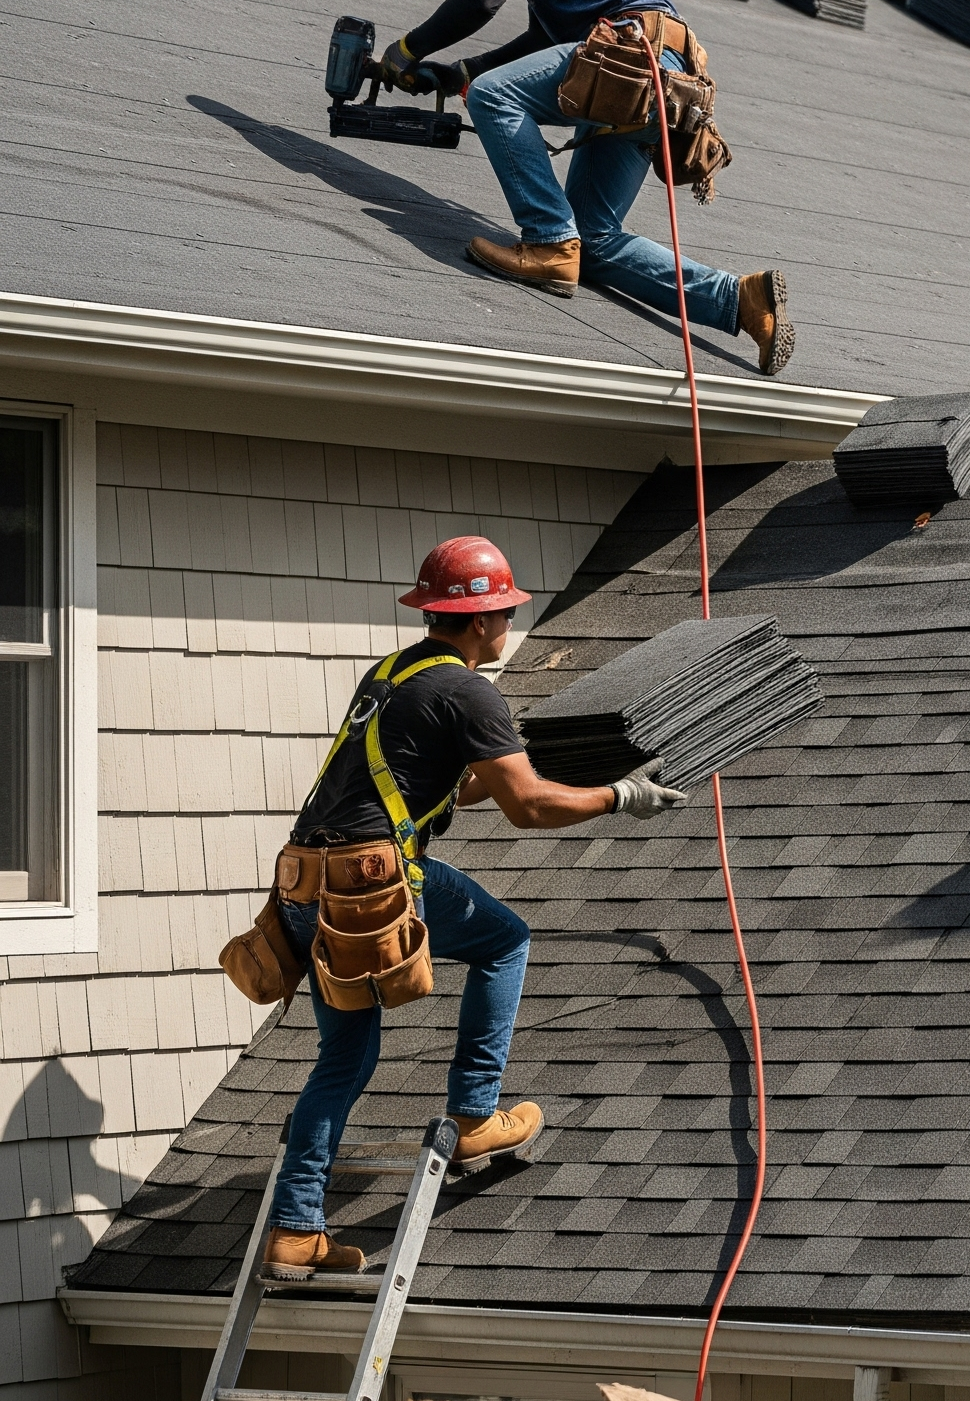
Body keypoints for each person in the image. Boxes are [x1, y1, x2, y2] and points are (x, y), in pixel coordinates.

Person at [262, 535, 684, 1281]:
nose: (511, 624)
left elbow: (451, 785)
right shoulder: (468, 691)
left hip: (305, 885)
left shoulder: (390, 674)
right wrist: (620, 796)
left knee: (344, 1058)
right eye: (507, 612)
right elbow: (527, 809)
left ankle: (296, 1231)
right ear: (483, 619)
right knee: (504, 940)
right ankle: (475, 1115)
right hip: (372, 885)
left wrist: (527, 757)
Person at [378, 0, 795, 377]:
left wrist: (408, 48)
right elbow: (542, 38)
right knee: (593, 242)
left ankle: (548, 240)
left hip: (630, 57)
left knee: (496, 99)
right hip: (657, 72)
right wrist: (462, 71)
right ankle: (740, 301)